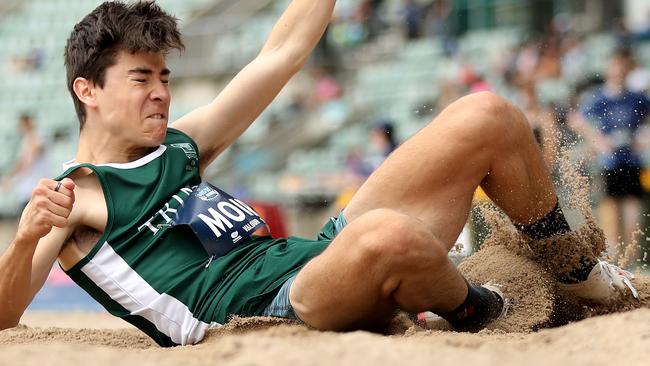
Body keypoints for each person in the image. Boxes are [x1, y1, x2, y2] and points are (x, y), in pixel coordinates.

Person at [0, 1, 637, 347]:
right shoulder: (74, 198)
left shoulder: (182, 144)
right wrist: (27, 239)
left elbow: (281, 52)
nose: (160, 93)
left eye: (164, 77)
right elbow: (5, 319)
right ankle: (489, 310)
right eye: (142, 79)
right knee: (384, 233)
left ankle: (578, 278)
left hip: (324, 255)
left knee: (487, 116)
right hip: (273, 309)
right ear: (87, 90)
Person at [569, 49, 650, 260]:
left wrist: (642, 138)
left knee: (633, 206)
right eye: (614, 65)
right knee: (610, 206)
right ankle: (614, 254)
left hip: (631, 159)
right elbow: (576, 120)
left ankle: (631, 256)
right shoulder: (598, 97)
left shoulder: (636, 97)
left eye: (622, 66)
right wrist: (599, 141)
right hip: (609, 161)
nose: (618, 71)